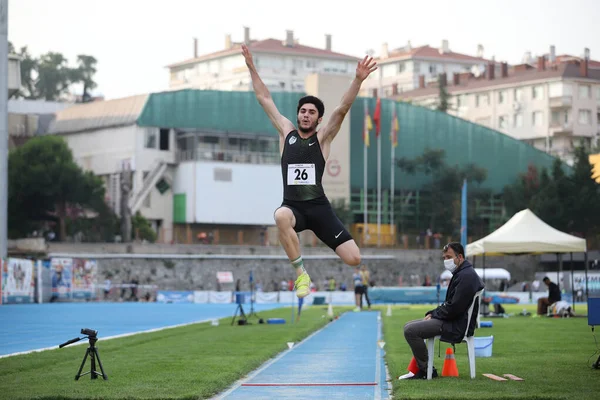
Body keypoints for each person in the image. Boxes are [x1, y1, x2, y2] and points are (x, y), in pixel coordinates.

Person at [242, 44, 377, 298]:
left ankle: (323, 240)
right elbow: (264, 98)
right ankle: (301, 274)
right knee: (281, 216)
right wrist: (251, 67)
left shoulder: (323, 139)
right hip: (293, 208)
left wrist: (358, 80)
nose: (305, 115)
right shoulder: (286, 133)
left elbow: (342, 109)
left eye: (311, 113)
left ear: (318, 120)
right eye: (302, 111)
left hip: (318, 208)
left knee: (354, 258)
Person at [401, 242, 484, 380]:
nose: (446, 260)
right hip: (452, 320)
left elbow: (455, 308)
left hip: (455, 325)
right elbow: (452, 305)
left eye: (449, 257)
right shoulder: (462, 273)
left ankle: (426, 370)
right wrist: (434, 312)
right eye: (444, 257)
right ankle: (425, 369)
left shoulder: (466, 276)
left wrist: (435, 314)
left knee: (411, 330)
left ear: (460, 257)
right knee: (408, 326)